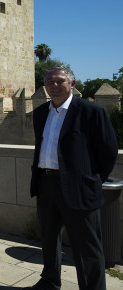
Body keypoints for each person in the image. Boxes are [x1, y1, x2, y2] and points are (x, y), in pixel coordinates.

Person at [26, 66, 117, 290]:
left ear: (72, 84)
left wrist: (91, 180)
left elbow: (108, 150)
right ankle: (49, 281)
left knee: (87, 247)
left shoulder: (90, 112)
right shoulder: (40, 113)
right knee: (48, 239)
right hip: (46, 184)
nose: (54, 86)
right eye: (49, 82)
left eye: (60, 81)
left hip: (79, 188)